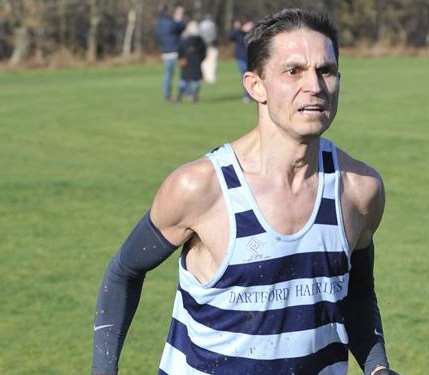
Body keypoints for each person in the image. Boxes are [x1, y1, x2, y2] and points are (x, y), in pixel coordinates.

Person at [91, 8, 399, 375]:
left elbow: (356, 293)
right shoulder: (201, 188)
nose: (315, 87)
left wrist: (377, 367)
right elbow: (124, 272)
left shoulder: (359, 190)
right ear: (255, 86)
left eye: (326, 71)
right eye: (293, 71)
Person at [155, 4, 186, 101]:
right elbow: (182, 26)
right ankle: (182, 92)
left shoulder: (158, 23)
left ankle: (167, 94)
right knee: (183, 72)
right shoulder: (170, 22)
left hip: (165, 52)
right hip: (176, 51)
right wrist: (179, 18)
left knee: (168, 75)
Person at [177, 21, 207, 103]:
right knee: (196, 81)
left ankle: (179, 97)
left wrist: (181, 58)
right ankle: (194, 96)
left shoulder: (184, 40)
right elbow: (204, 52)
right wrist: (200, 59)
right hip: (196, 62)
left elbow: (180, 51)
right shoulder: (200, 41)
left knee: (184, 80)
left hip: (186, 63)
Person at [229, 19, 254, 102]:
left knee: (253, 76)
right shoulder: (238, 33)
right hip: (241, 58)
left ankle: (252, 94)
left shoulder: (253, 32)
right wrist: (237, 29)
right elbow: (230, 37)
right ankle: (247, 95)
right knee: (246, 76)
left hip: (252, 57)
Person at [199, 15, 219, 84]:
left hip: (203, 46)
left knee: (204, 63)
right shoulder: (212, 25)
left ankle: (205, 77)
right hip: (212, 46)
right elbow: (214, 36)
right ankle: (211, 78)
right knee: (212, 63)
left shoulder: (201, 25)